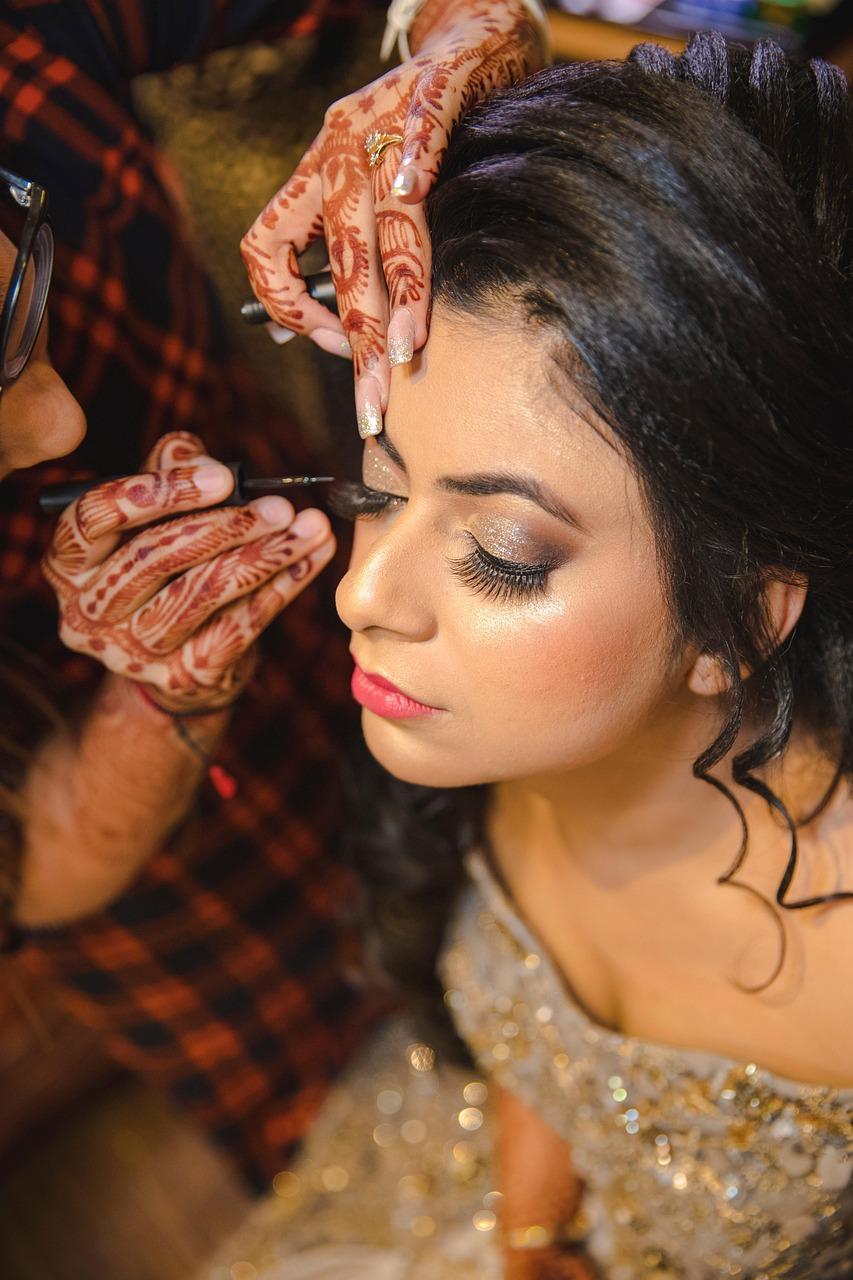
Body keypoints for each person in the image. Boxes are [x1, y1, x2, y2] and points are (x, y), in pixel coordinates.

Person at [201, 31, 853, 1280]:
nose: (364, 595)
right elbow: (548, 1067)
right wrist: (527, 1234)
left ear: (746, 616)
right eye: (378, 493)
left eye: (502, 553)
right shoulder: (514, 730)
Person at [0, 0, 547, 1188]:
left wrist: (456, 47)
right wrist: (161, 700)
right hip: (203, 888)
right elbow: (29, 861)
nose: (64, 424)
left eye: (11, 301)